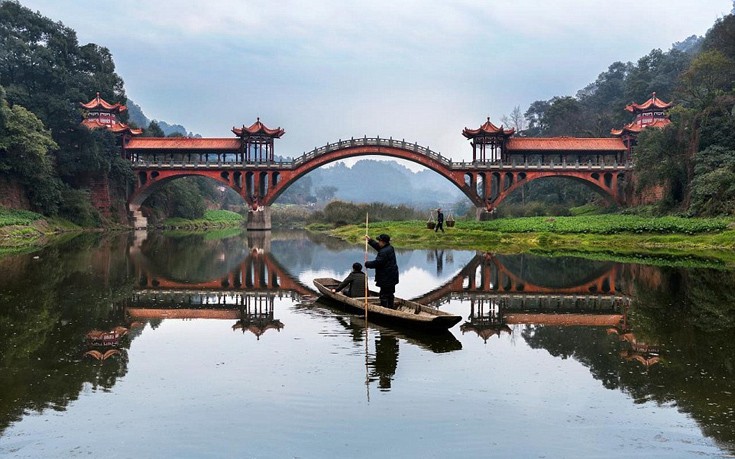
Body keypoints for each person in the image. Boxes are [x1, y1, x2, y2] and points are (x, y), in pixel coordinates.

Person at [364, 234, 399, 309]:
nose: (378, 242)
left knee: (383, 295)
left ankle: (385, 310)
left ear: (383, 242)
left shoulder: (383, 252)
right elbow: (379, 247)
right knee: (390, 293)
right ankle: (390, 308)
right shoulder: (390, 248)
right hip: (392, 276)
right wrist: (370, 241)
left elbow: (378, 263)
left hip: (386, 277)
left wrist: (367, 264)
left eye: (379, 241)